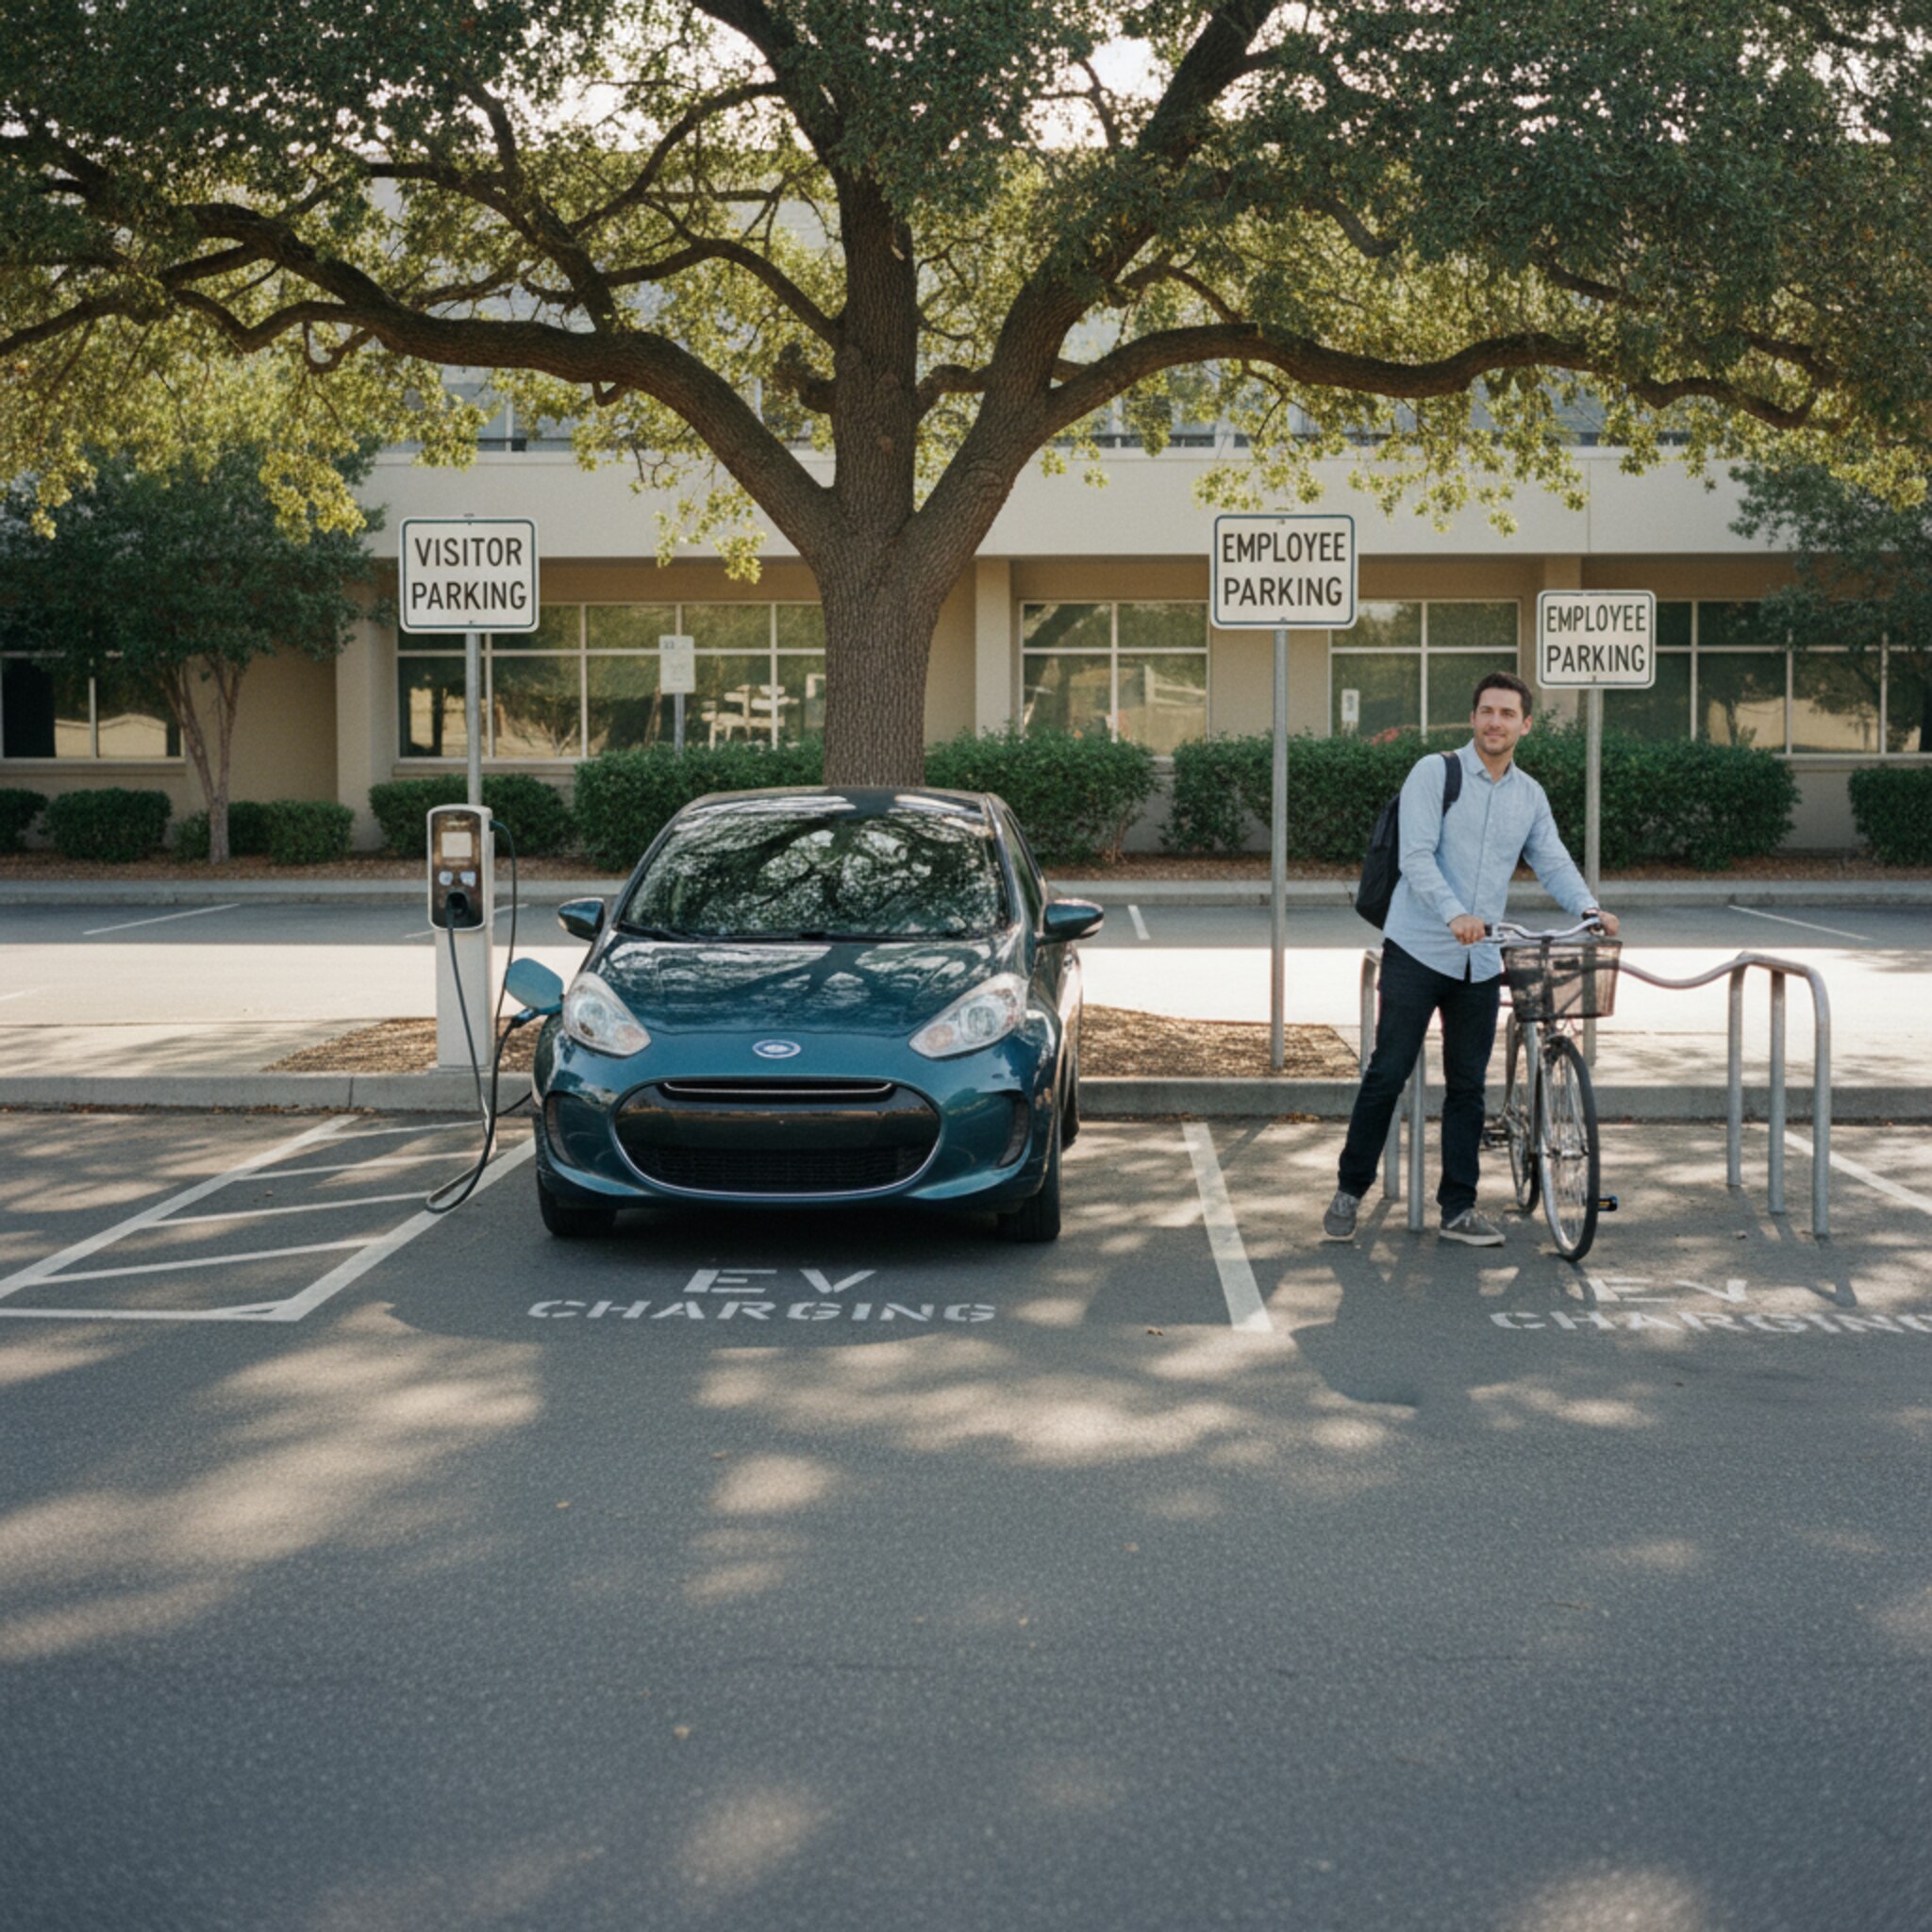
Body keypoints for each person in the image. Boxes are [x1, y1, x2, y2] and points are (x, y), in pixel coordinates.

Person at [1324, 673, 1620, 1246]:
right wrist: (1455, 912)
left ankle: (1458, 1208)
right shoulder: (1435, 773)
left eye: (1508, 714)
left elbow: (1553, 859)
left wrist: (1589, 907)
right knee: (1388, 1071)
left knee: (1467, 1088)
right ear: (1473, 718)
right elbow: (1415, 856)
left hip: (1480, 963)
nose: (1495, 722)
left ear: (1525, 725)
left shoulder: (1529, 796)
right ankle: (1348, 1190)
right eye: (1487, 711)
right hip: (1418, 948)